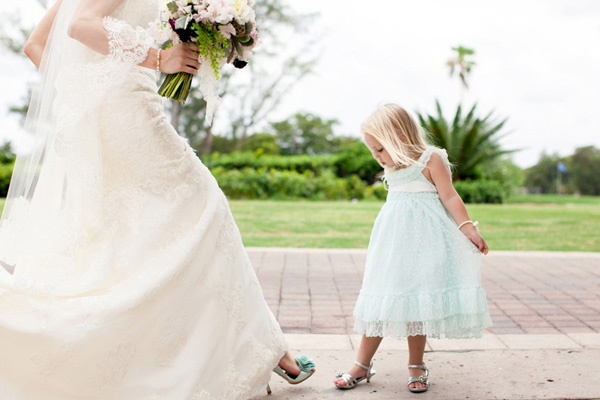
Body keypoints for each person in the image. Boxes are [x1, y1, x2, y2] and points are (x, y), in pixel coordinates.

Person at [0, 0, 314, 398]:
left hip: (108, 115)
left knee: (135, 236)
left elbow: (36, 45)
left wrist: (88, 90)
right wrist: (157, 58)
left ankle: (251, 348)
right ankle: (265, 349)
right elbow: (81, 24)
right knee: (203, 208)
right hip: (129, 111)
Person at [333, 104, 492, 393]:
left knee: (418, 300)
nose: (377, 157)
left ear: (400, 136)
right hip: (393, 244)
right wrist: (385, 159)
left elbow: (449, 196)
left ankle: (416, 365)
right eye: (373, 150)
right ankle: (362, 364)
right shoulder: (392, 167)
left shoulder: (431, 159)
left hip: (424, 244)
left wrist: (468, 227)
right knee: (381, 299)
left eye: (380, 149)